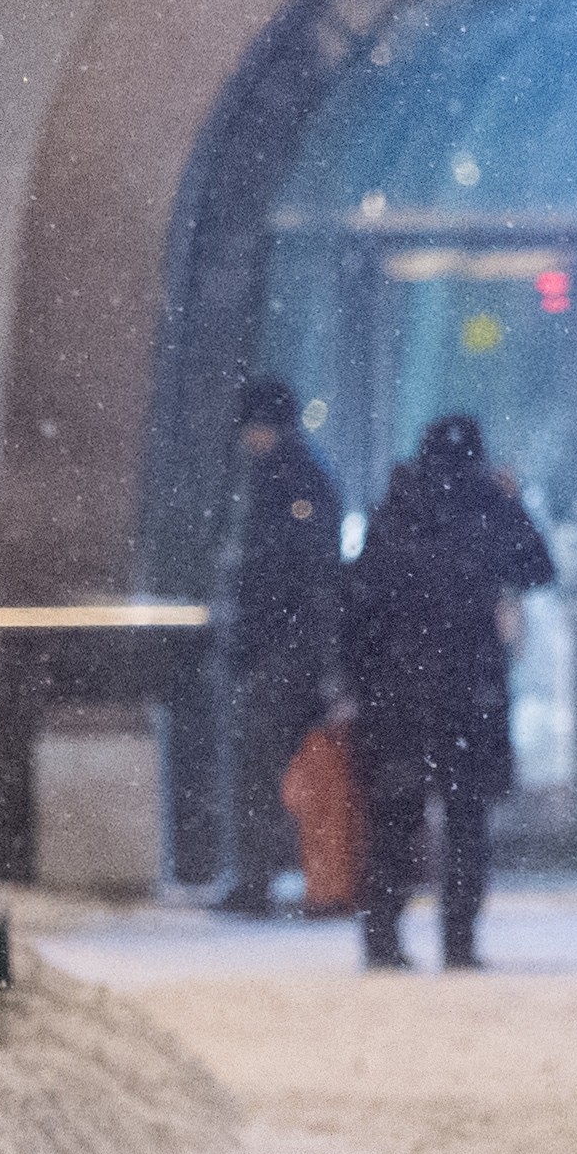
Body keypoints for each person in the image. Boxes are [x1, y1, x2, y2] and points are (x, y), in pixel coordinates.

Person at [342, 414, 556, 971]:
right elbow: (539, 567)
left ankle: (382, 937)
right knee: (466, 819)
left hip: (401, 690)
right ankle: (458, 941)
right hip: (469, 687)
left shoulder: (397, 508)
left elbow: (360, 602)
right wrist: (512, 501)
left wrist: (358, 680)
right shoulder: (488, 505)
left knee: (395, 816)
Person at [211, 379, 346, 916]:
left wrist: (259, 637)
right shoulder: (305, 478)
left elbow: (279, 574)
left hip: (278, 651)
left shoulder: (277, 483)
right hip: (294, 648)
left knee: (259, 768)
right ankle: (320, 878)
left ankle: (257, 879)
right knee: (298, 770)